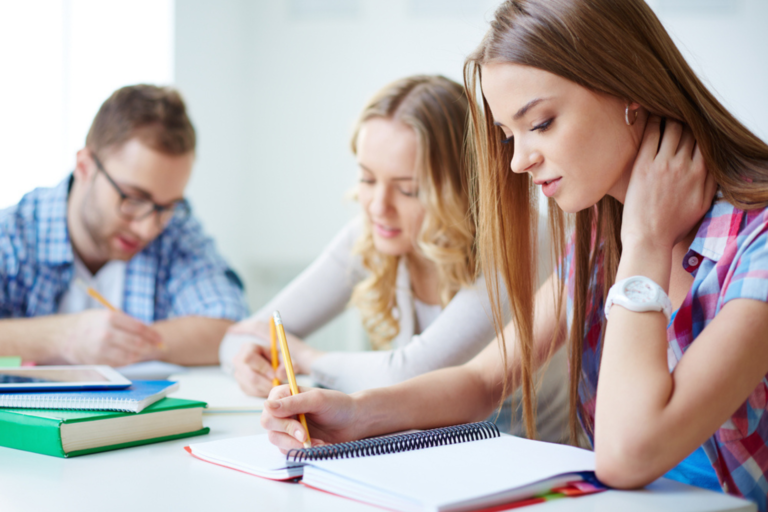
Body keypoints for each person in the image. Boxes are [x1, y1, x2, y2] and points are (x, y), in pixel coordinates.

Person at [260, 1, 768, 509]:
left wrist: (646, 244)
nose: (520, 160)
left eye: (541, 123)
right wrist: (355, 413)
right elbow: (483, 381)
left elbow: (626, 456)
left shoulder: (754, 242)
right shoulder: (600, 232)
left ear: (630, 88)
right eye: (508, 135)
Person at [221, 75, 570, 441]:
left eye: (408, 189)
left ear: (464, 186)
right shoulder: (372, 232)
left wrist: (303, 356)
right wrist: (247, 364)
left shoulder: (523, 239)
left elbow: (406, 374)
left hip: (532, 459)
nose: (378, 207)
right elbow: (240, 336)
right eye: (367, 180)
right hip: (431, 451)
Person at [0, 84, 249, 367]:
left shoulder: (175, 229)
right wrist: (61, 337)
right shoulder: (12, 234)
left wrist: (124, 343)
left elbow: (232, 329)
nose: (148, 229)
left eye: (167, 207)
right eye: (133, 198)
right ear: (85, 167)